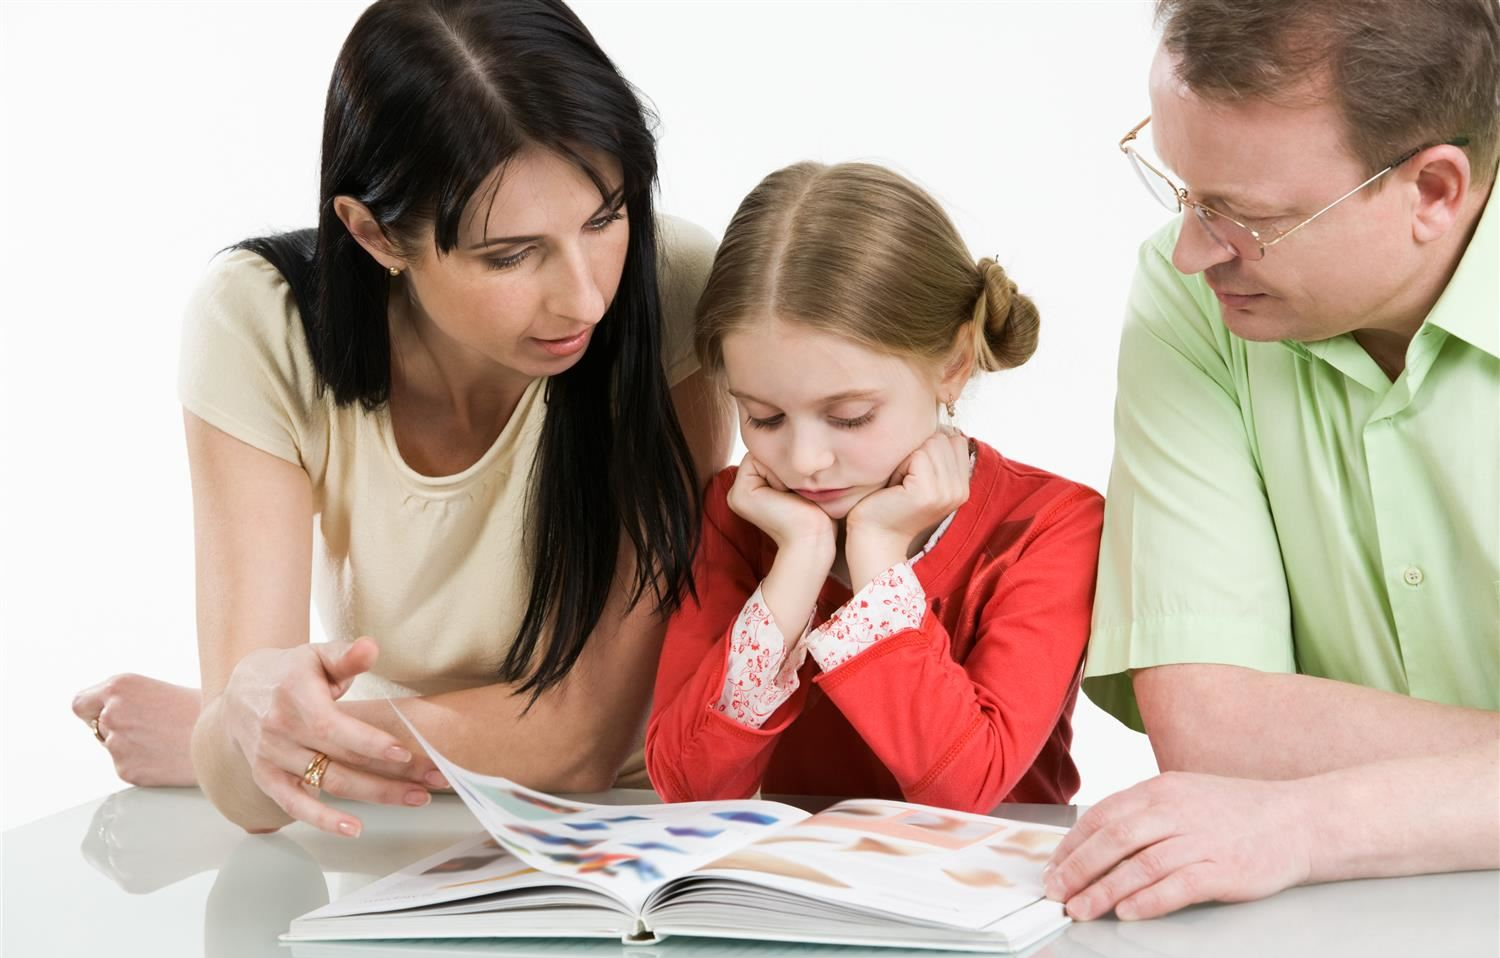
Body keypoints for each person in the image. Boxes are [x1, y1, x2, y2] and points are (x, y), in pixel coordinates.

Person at [70, 0, 730, 838]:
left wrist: (232, 734)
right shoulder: (261, 324)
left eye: (605, 217)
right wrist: (236, 739)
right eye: (512, 254)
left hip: (637, 822)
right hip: (402, 830)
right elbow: (250, 794)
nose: (587, 296)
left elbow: (585, 738)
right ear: (374, 235)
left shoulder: (669, 287)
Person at [1046, 0, 1500, 921]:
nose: (1190, 251)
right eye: (1181, 189)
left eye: (1246, 215)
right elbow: (1215, 728)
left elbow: (1262, 778)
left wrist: (1308, 822)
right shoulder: (1199, 303)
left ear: (1434, 191)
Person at [644, 162, 1105, 812]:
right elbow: (689, 788)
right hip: (797, 904)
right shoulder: (738, 515)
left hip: (988, 902)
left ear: (953, 365)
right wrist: (799, 562)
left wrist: (878, 556)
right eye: (763, 417)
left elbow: (962, 788)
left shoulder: (1050, 525)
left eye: (849, 417)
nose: (805, 461)